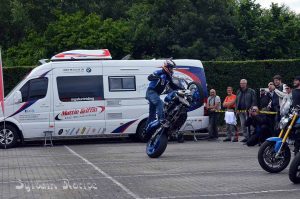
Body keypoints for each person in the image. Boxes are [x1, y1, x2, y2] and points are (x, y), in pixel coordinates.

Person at [145, 59, 180, 127]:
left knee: (152, 114)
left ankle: (146, 130)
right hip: (151, 92)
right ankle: (161, 120)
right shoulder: (160, 72)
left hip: (156, 94)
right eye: (170, 68)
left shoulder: (168, 77)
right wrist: (157, 77)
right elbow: (149, 77)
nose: (172, 69)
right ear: (166, 67)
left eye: (172, 68)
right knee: (160, 103)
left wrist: (182, 88)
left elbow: (172, 85)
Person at [292, 76, 300, 155]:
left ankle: (297, 148)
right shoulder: (293, 91)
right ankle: (296, 147)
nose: (294, 82)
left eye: (296, 80)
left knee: (298, 131)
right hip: (295, 114)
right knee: (294, 130)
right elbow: (293, 102)